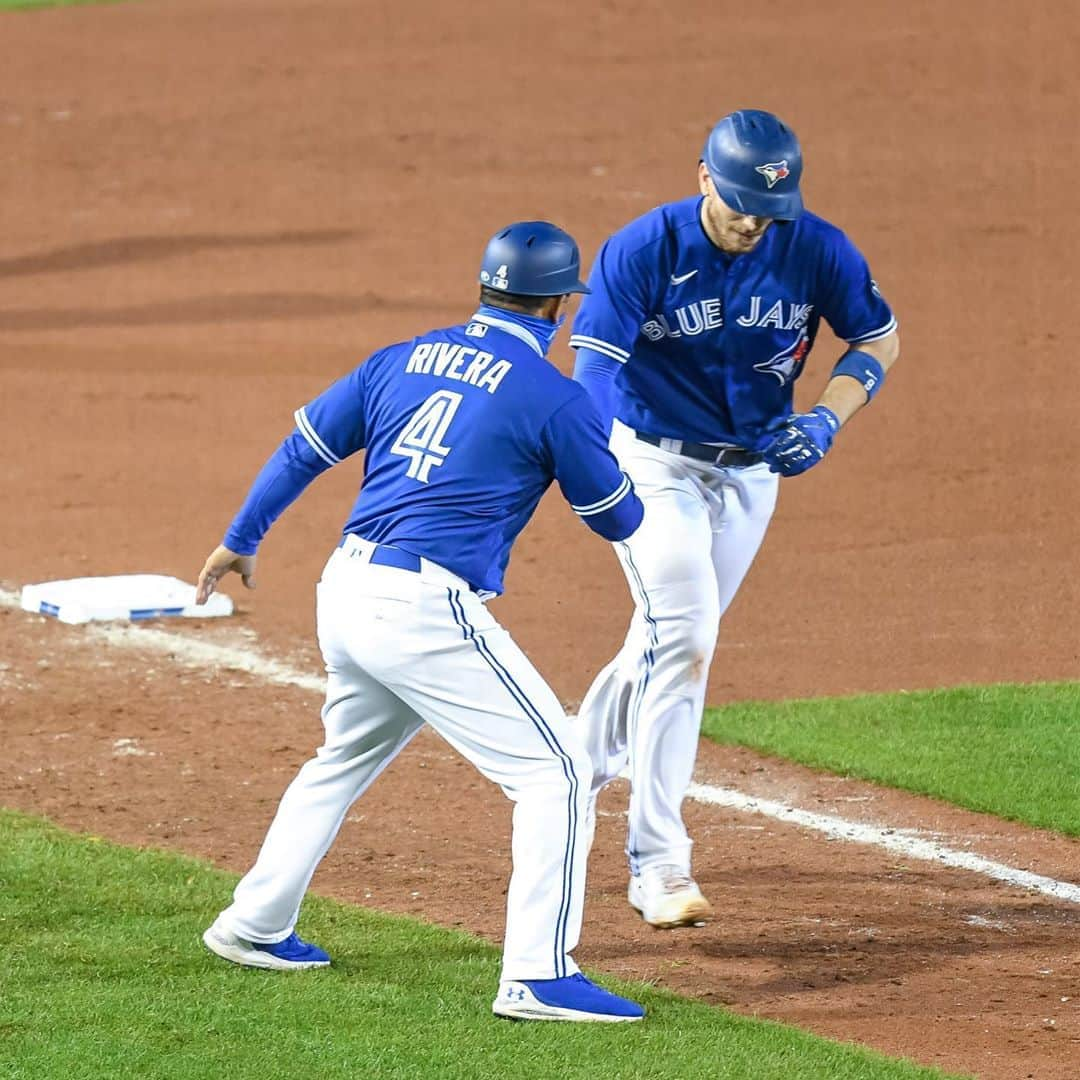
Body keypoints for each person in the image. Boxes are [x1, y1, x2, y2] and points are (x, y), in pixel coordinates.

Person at [195, 222, 647, 1023]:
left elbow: (304, 449)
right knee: (558, 774)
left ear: (487, 287)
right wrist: (599, 425)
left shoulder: (399, 357)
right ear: (555, 304)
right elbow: (616, 518)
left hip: (345, 587)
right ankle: (538, 977)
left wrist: (240, 537)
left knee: (343, 757)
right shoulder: (555, 397)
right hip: (422, 609)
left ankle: (255, 924)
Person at [569, 109, 900, 928]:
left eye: (767, 207)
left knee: (668, 636)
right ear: (703, 176)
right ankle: (659, 864)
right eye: (738, 201)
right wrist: (595, 467)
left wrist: (826, 417)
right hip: (653, 461)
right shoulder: (644, 248)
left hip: (753, 474)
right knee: (686, 635)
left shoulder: (817, 246)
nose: (751, 219)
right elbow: (595, 374)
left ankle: (568, 765)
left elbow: (876, 342)